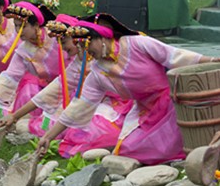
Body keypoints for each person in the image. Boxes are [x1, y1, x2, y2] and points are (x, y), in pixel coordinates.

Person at [36, 14, 220, 165]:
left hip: (172, 103)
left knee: (170, 144)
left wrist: (212, 61)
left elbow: (175, 56)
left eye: (86, 44)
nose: (85, 50)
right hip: (143, 111)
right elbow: (79, 106)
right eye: (79, 46)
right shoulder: (97, 73)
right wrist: (49, 137)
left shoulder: (137, 44)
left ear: (102, 38)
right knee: (127, 149)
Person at [0, 16, 130, 155]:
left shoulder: (127, 48)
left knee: (94, 130)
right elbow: (52, 92)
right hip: (95, 102)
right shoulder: (79, 64)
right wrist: (15, 116)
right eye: (59, 42)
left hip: (123, 105)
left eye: (64, 41)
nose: (62, 47)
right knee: (75, 132)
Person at [0, 1, 72, 133]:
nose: (18, 31)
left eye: (23, 26)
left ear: (36, 25)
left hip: (74, 89)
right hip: (48, 92)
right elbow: (8, 79)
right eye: (16, 26)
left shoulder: (57, 38)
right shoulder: (23, 50)